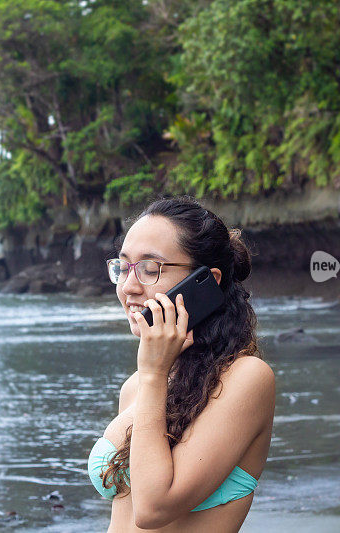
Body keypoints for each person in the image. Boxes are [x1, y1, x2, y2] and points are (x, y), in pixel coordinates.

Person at [87, 195, 276, 532]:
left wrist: (154, 373)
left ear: (207, 281)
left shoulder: (247, 377)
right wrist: (152, 376)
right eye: (123, 266)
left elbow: (152, 509)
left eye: (149, 268)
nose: (128, 287)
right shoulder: (136, 387)